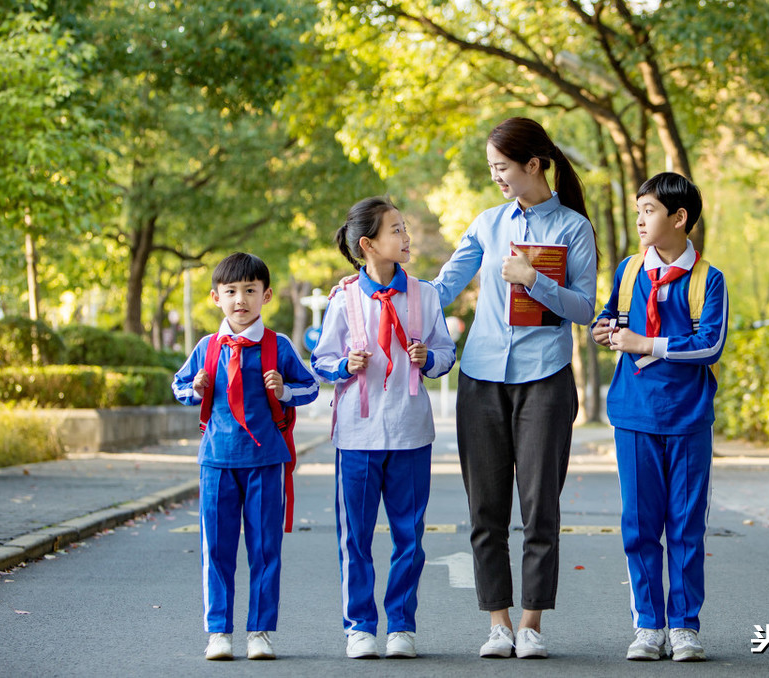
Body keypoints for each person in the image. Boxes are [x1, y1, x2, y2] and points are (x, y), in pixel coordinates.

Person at [430, 117, 598, 659]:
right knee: (486, 509)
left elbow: (584, 307)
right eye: (491, 169)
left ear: (533, 164)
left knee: (538, 506)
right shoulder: (486, 223)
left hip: (545, 379)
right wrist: (372, 282)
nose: (497, 177)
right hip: (480, 378)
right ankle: (498, 623)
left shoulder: (574, 228)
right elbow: (441, 288)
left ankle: (531, 624)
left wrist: (534, 281)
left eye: (502, 168)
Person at [310, 197, 457, 660]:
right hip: (357, 433)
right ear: (368, 244)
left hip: (411, 431)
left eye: (405, 228)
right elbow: (322, 360)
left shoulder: (426, 295)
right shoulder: (343, 298)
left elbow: (447, 352)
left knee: (408, 536)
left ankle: (402, 626)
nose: (406, 237)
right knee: (355, 535)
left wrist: (428, 358)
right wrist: (343, 365)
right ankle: (359, 626)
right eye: (396, 230)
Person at [590, 172, 728, 662]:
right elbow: (608, 319)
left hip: (688, 419)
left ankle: (685, 625)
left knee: (686, 524)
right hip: (634, 415)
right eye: (639, 209)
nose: (640, 218)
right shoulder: (629, 271)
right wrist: (604, 330)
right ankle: (648, 625)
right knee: (640, 523)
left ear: (679, 217)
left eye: (649, 210)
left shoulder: (708, 279)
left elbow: (710, 344)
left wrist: (649, 344)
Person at [172, 252, 319, 661]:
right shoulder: (207, 347)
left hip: (266, 462)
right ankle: (218, 631)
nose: (241, 299)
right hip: (217, 461)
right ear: (216, 297)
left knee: (264, 549)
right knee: (216, 549)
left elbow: (310, 388)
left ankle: (260, 632)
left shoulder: (279, 346)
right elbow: (179, 386)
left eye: (250, 291)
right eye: (232, 291)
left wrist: (282, 390)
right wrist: (196, 389)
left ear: (266, 295)